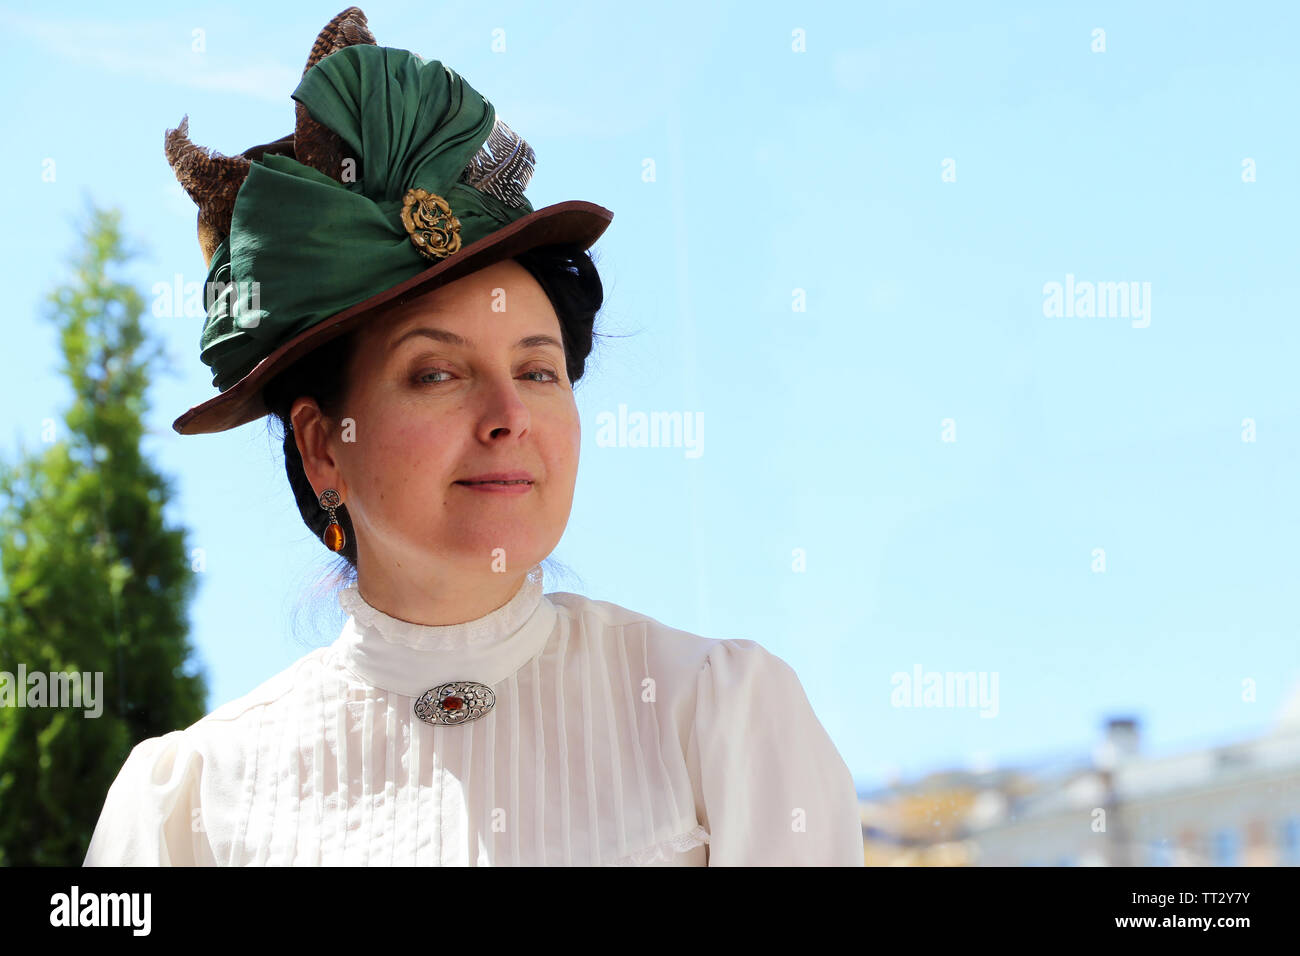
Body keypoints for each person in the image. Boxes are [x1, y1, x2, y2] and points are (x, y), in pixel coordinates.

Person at [82, 7, 863, 866]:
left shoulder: (717, 721)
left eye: (538, 371)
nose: (509, 416)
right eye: (437, 374)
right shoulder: (188, 808)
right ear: (321, 447)